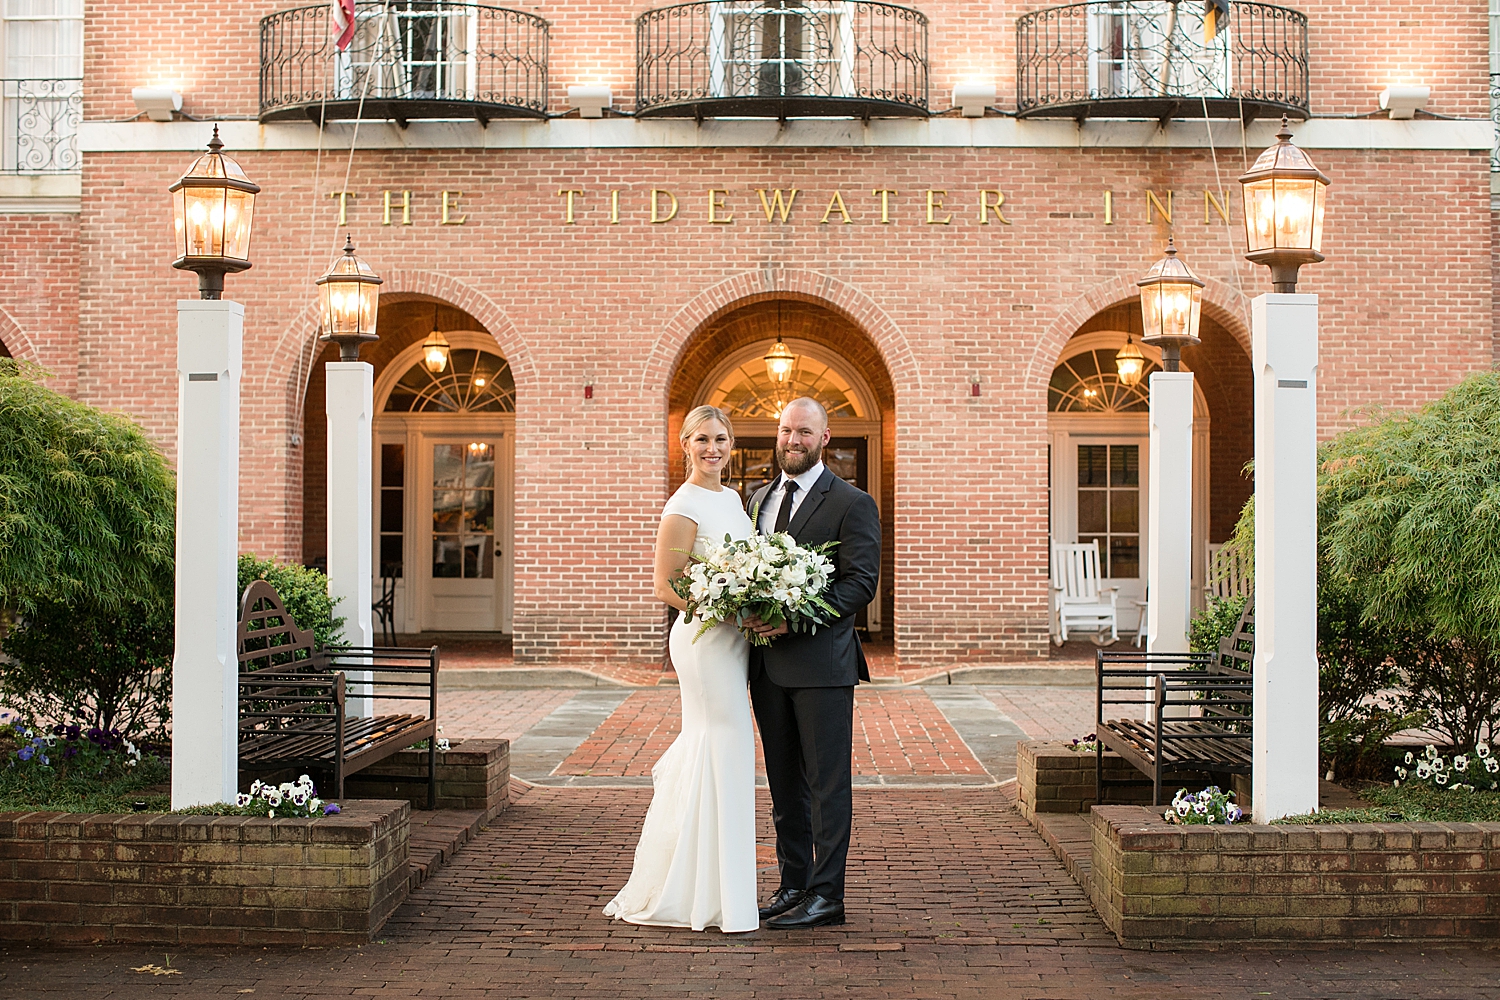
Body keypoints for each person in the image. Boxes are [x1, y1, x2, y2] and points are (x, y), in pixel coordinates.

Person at [603, 405, 759, 933]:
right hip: (703, 639)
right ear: (685, 445)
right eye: (701, 440)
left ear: (730, 445)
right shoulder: (683, 503)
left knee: (723, 750)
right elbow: (665, 584)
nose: (712, 449)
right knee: (724, 741)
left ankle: (716, 886)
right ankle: (701, 891)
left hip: (734, 639)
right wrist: (724, 608)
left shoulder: (733, 500)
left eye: (721, 439)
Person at [744, 397, 882, 929]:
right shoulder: (757, 499)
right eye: (785, 431)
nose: (792, 440)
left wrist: (793, 620)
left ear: (825, 438)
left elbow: (860, 585)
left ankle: (828, 896)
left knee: (826, 785)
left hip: (823, 665)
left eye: (804, 432)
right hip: (767, 669)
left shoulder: (851, 501)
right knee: (783, 785)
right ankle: (793, 884)